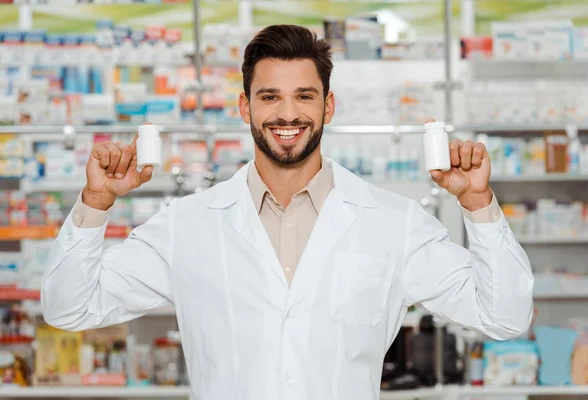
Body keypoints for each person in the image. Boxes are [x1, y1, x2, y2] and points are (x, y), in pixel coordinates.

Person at [42, 25, 534, 400]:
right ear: (244, 107)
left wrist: (477, 206)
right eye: (269, 96)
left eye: (304, 96)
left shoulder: (392, 223)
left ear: (328, 106)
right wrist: (95, 205)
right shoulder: (187, 225)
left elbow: (505, 316)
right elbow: (69, 308)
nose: (287, 114)